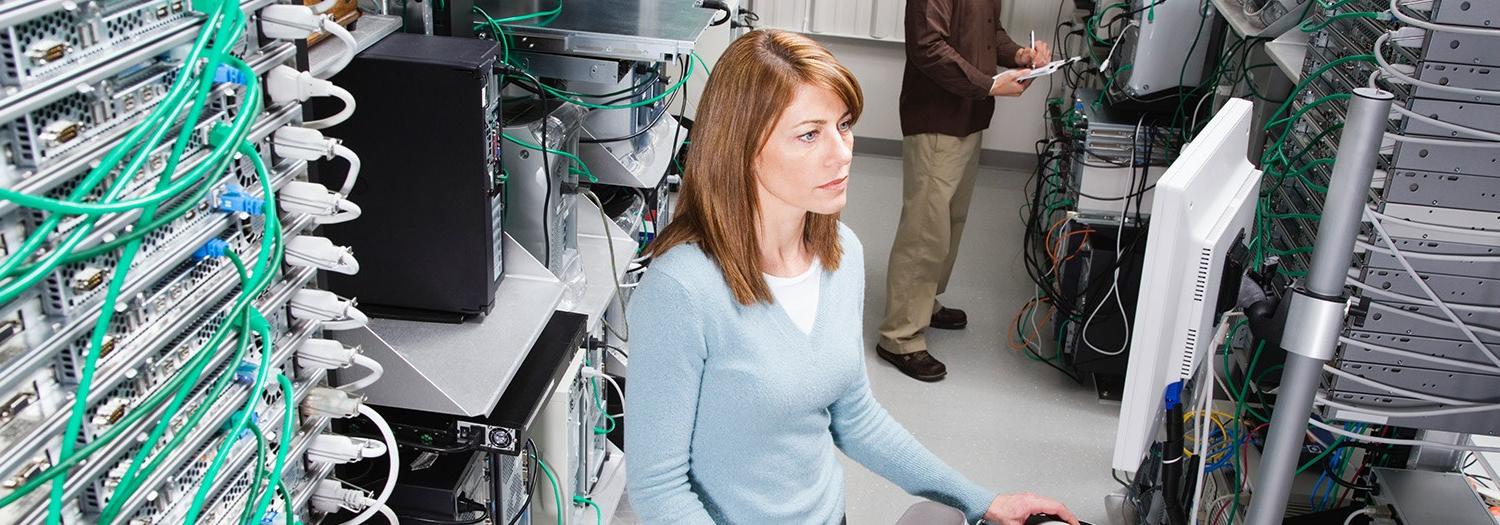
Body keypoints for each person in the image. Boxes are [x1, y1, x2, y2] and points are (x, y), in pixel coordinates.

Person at [624, 30, 1079, 525]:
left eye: (843, 125)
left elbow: (856, 417)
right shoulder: (682, 290)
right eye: (809, 134)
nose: (842, 153)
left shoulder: (841, 253)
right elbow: (659, 490)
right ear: (741, 146)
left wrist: (981, 499)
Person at [877, 0, 1052, 381]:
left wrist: (1019, 54)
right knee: (926, 228)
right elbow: (927, 47)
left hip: (969, 113)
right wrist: (988, 85)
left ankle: (924, 304)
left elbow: (990, 33)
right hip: (938, 115)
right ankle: (900, 336)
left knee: (949, 220)